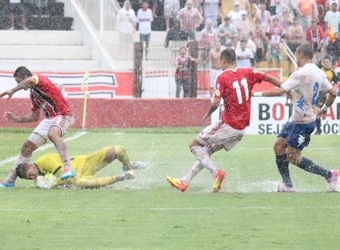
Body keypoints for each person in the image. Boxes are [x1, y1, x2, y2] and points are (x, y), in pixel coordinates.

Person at [167, 48, 282, 192]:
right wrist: (285, 86)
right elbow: (269, 78)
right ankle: (185, 181)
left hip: (229, 124)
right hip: (241, 129)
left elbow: (215, 103)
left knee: (194, 145)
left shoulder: (222, 77)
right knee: (206, 151)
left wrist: (208, 113)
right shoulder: (249, 72)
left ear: (224, 60)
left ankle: (216, 174)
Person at [252, 44, 338, 192]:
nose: (296, 59)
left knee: (293, 156)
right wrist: (323, 109)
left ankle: (330, 175)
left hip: (303, 122)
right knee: (278, 146)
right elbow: (333, 93)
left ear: (300, 54)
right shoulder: (319, 72)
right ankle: (288, 185)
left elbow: (280, 90)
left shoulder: (300, 74)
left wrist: (255, 94)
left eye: (297, 56)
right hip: (296, 119)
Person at [0, 66, 76, 187]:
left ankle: (68, 168)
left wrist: (13, 90)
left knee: (52, 133)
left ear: (25, 77)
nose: (20, 84)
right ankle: (10, 181)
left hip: (63, 115)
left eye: (19, 81)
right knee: (27, 147)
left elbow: (30, 81)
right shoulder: (33, 94)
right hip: (49, 119)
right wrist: (16, 119)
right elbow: (34, 117)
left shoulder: (41, 80)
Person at [15, 145, 141, 189]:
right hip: (79, 177)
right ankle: (120, 177)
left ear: (30, 165)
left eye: (30, 173)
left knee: (117, 150)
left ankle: (128, 166)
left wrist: (53, 184)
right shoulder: (38, 179)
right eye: (29, 178)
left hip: (85, 163)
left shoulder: (45, 160)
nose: (32, 177)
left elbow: (67, 175)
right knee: (82, 183)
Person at [315, 55, 339, 134]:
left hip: (325, 94)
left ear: (330, 63)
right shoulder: (319, 69)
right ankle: (318, 129)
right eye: (324, 62)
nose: (325, 63)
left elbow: (336, 83)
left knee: (318, 111)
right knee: (315, 111)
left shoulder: (332, 72)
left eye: (327, 62)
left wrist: (331, 92)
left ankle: (318, 130)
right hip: (317, 93)